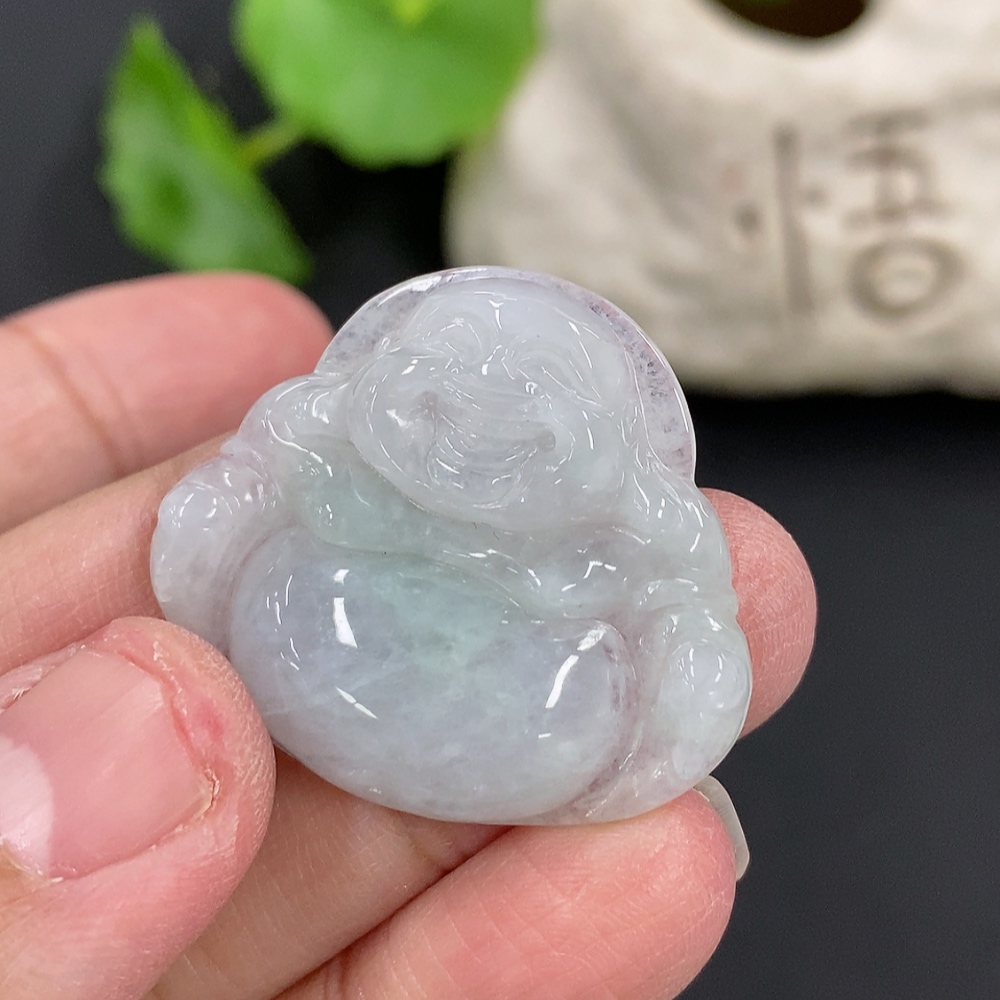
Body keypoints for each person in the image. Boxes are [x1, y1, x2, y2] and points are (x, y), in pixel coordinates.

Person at [0, 273, 816, 1000]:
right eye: (454, 358)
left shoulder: (627, 548)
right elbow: (218, 518)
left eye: (544, 380)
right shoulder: (319, 464)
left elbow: (687, 637)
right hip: (294, 652)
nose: (484, 401)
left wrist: (676, 713)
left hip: (540, 707)